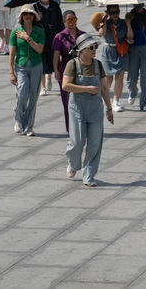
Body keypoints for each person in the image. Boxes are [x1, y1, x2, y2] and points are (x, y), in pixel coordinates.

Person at [63, 33, 113, 187]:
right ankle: (73, 163)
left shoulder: (98, 65)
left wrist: (109, 109)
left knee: (94, 143)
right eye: (91, 47)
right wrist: (86, 88)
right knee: (77, 141)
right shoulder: (73, 64)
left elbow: (104, 88)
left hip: (96, 109)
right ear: (82, 49)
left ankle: (89, 175)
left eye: (95, 46)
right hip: (77, 107)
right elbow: (65, 85)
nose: (94, 49)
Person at [9, 4, 45, 137]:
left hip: (36, 65)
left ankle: (28, 126)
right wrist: (12, 73)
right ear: (21, 16)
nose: (28, 16)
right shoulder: (15, 32)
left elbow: (40, 49)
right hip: (21, 66)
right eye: (25, 14)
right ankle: (18, 120)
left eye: (30, 14)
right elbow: (12, 54)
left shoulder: (39, 31)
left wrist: (27, 38)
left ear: (34, 16)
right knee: (23, 94)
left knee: (33, 97)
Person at [53, 10, 85, 133]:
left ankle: (81, 126)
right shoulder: (59, 36)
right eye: (69, 20)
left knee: (81, 98)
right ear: (64, 22)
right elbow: (56, 54)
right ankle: (70, 128)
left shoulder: (82, 35)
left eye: (74, 19)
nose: (72, 22)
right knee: (66, 99)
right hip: (65, 68)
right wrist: (55, 70)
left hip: (81, 68)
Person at [96, 5, 133, 112]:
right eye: (112, 12)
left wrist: (128, 24)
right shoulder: (105, 23)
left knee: (120, 76)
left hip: (120, 52)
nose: (115, 14)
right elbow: (102, 33)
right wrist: (104, 19)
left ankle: (116, 101)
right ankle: (105, 97)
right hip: (108, 51)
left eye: (117, 11)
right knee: (108, 79)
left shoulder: (123, 22)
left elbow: (130, 36)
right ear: (108, 13)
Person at [34, 0, 63, 96]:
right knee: (42, 62)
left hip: (54, 37)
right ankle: (42, 86)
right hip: (41, 39)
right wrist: (38, 18)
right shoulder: (35, 7)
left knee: (52, 61)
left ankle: (49, 78)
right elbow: (31, 23)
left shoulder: (55, 6)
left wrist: (61, 36)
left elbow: (60, 22)